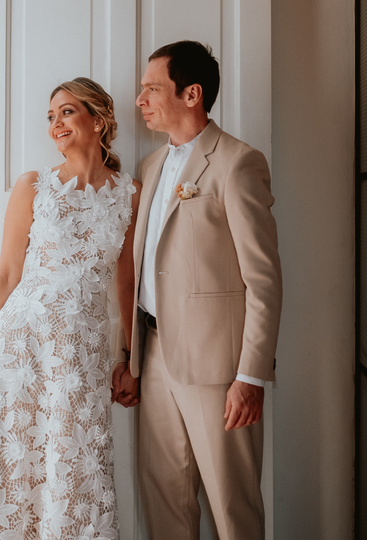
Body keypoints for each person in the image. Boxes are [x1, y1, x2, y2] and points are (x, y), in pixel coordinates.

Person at [0, 77, 141, 540]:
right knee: (13, 472)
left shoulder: (129, 194)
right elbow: (6, 273)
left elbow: (126, 284)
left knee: (74, 471)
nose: (56, 124)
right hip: (18, 349)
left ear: (99, 119)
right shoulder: (34, 185)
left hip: (80, 358)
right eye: (51, 117)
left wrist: (129, 360)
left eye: (67, 112)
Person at [112, 41, 282, 540]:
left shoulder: (238, 163)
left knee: (233, 506)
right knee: (164, 500)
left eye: (152, 89)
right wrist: (130, 356)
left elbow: (264, 279)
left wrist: (250, 376)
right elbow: (140, 270)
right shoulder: (149, 168)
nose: (140, 99)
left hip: (218, 369)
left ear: (192, 94)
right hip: (154, 355)